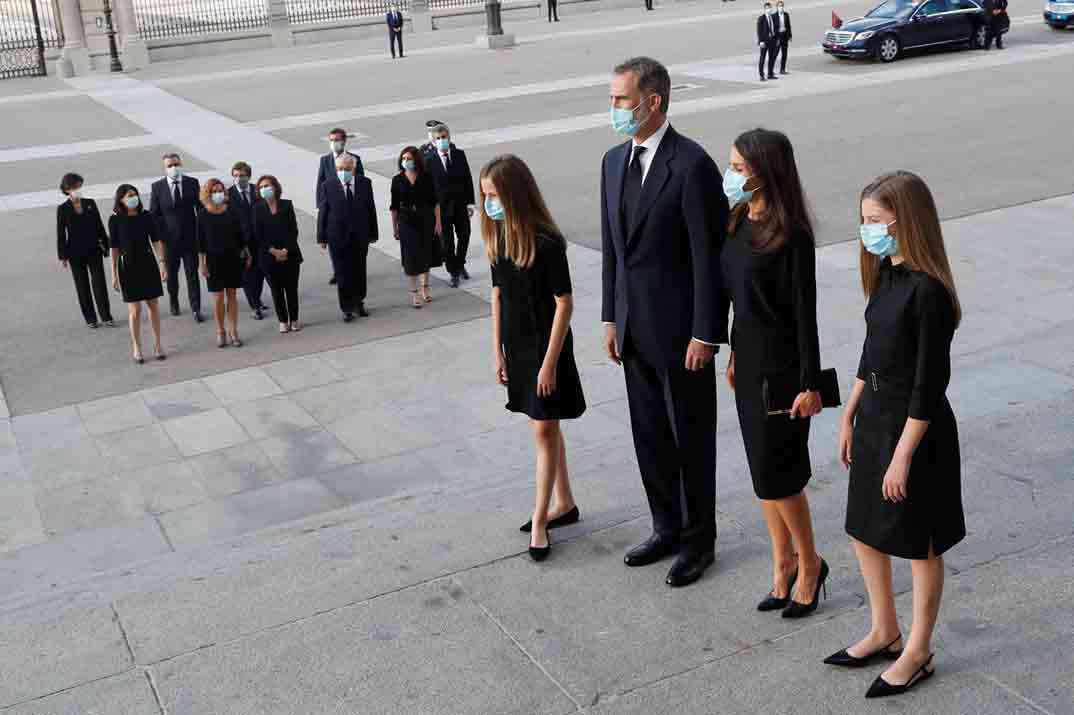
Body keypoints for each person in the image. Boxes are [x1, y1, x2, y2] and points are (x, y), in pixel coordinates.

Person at [829, 171, 964, 699]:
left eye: (877, 222)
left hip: (915, 429)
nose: (868, 232)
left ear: (906, 222)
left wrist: (902, 456)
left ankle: (919, 649)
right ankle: (885, 630)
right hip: (876, 418)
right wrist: (849, 413)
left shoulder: (929, 292)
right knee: (864, 526)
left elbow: (931, 384)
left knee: (919, 542)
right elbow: (870, 352)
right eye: (863, 222)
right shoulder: (885, 275)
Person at [601, 57, 728, 587]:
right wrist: (611, 316)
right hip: (634, 329)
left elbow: (709, 257)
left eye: (621, 100)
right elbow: (613, 249)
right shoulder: (612, 162)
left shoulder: (692, 164)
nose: (614, 110)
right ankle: (666, 527)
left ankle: (699, 542)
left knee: (691, 439)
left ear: (653, 102)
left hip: (681, 336)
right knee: (649, 435)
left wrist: (706, 332)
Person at [720, 129, 829, 619]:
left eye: (739, 167)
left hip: (784, 371)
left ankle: (810, 565)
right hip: (749, 363)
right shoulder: (740, 218)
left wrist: (810, 385)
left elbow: (806, 315)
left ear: (766, 171)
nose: (732, 174)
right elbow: (739, 301)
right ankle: (781, 565)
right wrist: (734, 354)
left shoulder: (792, 236)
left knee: (779, 476)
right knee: (761, 476)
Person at [481, 154, 584, 561]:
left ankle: (541, 520)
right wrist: (497, 350)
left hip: (546, 347)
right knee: (544, 427)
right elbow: (497, 294)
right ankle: (565, 503)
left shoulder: (546, 241)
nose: (489, 203)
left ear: (514, 193)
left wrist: (549, 363)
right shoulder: (498, 237)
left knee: (543, 431)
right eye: (485, 195)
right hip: (517, 346)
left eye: (494, 195)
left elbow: (565, 304)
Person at [109, 184, 167, 363]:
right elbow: (114, 249)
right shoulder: (115, 220)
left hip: (147, 264)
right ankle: (137, 346)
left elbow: (156, 240)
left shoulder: (146, 216)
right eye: (129, 195)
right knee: (135, 310)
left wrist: (162, 263)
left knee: (153, 306)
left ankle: (158, 344)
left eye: (134, 194)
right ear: (121, 200)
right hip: (128, 267)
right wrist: (114, 274)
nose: (133, 198)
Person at [317, 154, 378, 322]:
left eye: (347, 169)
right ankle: (346, 308)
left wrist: (373, 233)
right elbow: (323, 212)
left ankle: (359, 303)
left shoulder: (365, 184)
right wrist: (321, 237)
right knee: (343, 274)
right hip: (337, 236)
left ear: (354, 168)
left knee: (359, 271)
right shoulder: (328, 186)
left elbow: (370, 208)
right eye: (339, 169)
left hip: (360, 235)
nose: (343, 172)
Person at [56, 173, 114, 329]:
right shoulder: (63, 209)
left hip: (94, 250)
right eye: (75, 187)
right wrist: (62, 256)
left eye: (79, 186)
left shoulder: (90, 203)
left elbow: (99, 226)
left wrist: (107, 245)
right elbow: (61, 233)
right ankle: (90, 319)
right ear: (67, 189)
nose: (78, 189)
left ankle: (106, 316)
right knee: (82, 286)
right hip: (75, 253)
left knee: (99, 284)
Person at [197, 178, 250, 348]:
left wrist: (246, 252)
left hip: (232, 258)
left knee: (232, 295)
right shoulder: (202, 214)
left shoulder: (231, 211)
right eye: (215, 191)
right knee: (219, 298)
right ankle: (220, 331)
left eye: (221, 190)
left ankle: (233, 330)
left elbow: (239, 234)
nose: (219, 194)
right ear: (208, 194)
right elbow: (200, 243)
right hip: (213, 260)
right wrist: (202, 264)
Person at [150, 153, 202, 321]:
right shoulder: (157, 187)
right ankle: (174, 302)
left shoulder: (192, 183)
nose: (173, 168)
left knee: (192, 275)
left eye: (176, 164)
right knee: (172, 276)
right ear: (164, 168)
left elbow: (199, 209)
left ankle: (196, 308)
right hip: (170, 241)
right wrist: (159, 239)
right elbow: (155, 214)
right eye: (169, 165)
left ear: (180, 164)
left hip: (189, 239)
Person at [425, 123, 476, 288]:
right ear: (434, 141)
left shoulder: (459, 155)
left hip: (460, 205)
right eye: (438, 138)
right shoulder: (430, 161)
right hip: (442, 209)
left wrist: (470, 203)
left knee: (465, 235)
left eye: (444, 137)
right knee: (447, 243)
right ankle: (453, 271)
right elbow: (429, 188)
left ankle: (460, 263)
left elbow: (467, 179)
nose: (441, 140)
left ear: (449, 138)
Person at [390, 147, 442, 309]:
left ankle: (425, 286)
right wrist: (395, 227)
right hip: (406, 221)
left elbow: (435, 203)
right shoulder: (397, 180)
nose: (406, 161)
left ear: (417, 160)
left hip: (425, 219)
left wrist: (438, 222)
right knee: (410, 257)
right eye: (404, 158)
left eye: (410, 158)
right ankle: (414, 292)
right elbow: (394, 206)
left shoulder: (426, 177)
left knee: (425, 253)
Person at [253, 175, 303, 333]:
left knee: (291, 289)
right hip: (269, 257)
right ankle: (282, 320)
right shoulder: (257, 209)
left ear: (275, 187)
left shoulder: (287, 205)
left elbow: (292, 230)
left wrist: (285, 250)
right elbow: (258, 235)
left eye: (267, 186)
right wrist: (273, 251)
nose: (264, 189)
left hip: (290, 254)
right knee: (276, 289)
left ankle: (294, 319)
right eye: (261, 187)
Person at [316, 128, 364, 286]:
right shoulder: (325, 160)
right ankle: (338, 271)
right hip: (332, 205)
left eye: (337, 140)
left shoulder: (354, 159)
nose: (334, 143)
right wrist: (320, 204)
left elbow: (361, 180)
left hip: (350, 204)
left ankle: (350, 270)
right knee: (334, 244)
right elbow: (320, 181)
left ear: (344, 141)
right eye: (331, 140)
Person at [228, 162, 267, 321]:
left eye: (242, 176)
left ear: (249, 176)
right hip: (241, 242)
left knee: (260, 272)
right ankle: (255, 306)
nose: (238, 179)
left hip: (259, 239)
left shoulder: (257, 191)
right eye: (235, 176)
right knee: (248, 274)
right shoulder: (228, 195)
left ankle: (256, 299)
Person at [757, 2, 779, 81]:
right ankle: (761, 75)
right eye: (767, 8)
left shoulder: (773, 17)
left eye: (770, 8)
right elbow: (759, 31)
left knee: (771, 58)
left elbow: (775, 29)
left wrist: (776, 39)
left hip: (772, 40)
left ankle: (770, 73)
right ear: (764, 9)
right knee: (762, 58)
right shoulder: (761, 18)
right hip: (764, 42)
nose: (769, 10)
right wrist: (760, 41)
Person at [775, 1, 792, 74]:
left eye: (782, 6)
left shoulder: (786, 15)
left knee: (784, 54)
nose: (781, 7)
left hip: (785, 36)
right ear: (777, 7)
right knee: (775, 54)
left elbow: (788, 26)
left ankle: (782, 69)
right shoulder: (774, 16)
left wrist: (790, 36)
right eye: (779, 6)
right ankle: (771, 70)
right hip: (778, 36)